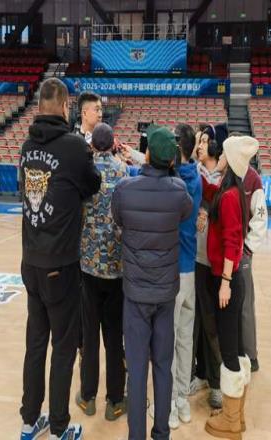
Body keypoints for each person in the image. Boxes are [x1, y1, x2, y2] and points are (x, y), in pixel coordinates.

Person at [19, 78, 101, 440]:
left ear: (39, 106)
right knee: (64, 347)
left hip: (31, 262)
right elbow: (92, 185)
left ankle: (29, 420)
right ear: (66, 106)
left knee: (36, 343)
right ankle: (58, 426)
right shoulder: (73, 147)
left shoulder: (25, 147)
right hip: (61, 264)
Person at [111, 125, 193, 440]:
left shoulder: (125, 190)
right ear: (171, 160)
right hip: (165, 293)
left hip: (135, 294)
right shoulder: (178, 192)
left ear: (146, 154)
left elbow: (118, 219)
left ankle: (136, 435)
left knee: (136, 370)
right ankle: (161, 433)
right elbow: (185, 213)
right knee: (162, 366)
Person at [201, 136, 259, 439]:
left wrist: (224, 283)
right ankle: (236, 414)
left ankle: (231, 420)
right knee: (235, 347)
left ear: (231, 159)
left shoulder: (229, 197)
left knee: (229, 350)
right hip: (232, 280)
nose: (218, 156)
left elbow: (233, 241)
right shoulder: (228, 191)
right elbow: (209, 190)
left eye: (223, 153)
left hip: (228, 281)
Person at [147, 124, 202, 430]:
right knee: (184, 339)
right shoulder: (196, 178)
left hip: (171, 270)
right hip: (190, 268)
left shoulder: (172, 183)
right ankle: (181, 399)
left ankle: (166, 405)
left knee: (166, 340)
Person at [76, 123, 127, 421]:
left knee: (90, 335)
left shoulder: (85, 171)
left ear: (93, 145)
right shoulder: (123, 171)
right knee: (114, 336)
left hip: (89, 265)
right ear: (112, 144)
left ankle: (88, 396)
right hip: (117, 267)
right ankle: (115, 400)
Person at [190, 133, 223, 410]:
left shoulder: (225, 180)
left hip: (216, 263)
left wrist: (207, 210)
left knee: (212, 327)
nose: (199, 146)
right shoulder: (193, 174)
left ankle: (216, 383)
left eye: (204, 141)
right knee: (194, 324)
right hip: (195, 259)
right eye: (197, 141)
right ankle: (197, 374)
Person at [230, 133, 268, 374]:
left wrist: (248, 248)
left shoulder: (253, 180)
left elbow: (261, 218)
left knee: (245, 303)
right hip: (227, 250)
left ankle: (250, 354)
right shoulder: (229, 175)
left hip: (241, 253)